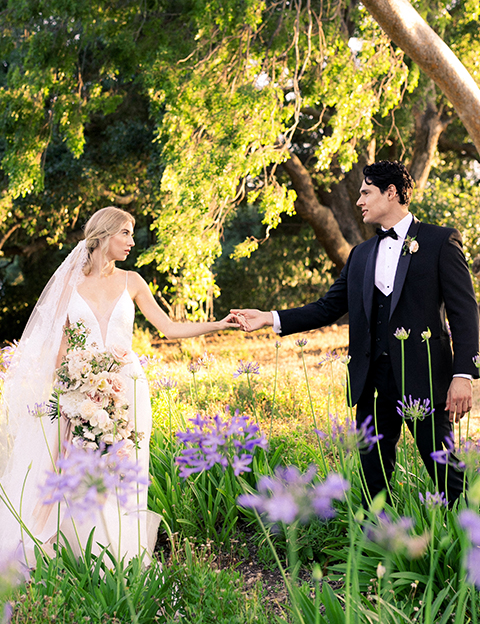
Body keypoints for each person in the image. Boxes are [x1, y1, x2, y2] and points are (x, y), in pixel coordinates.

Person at [232, 160, 479, 506]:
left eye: (366, 192)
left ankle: (466, 548)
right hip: (372, 383)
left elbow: (465, 312)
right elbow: (327, 307)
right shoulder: (360, 255)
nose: (359, 201)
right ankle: (378, 549)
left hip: (425, 380)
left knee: (448, 476)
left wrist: (463, 374)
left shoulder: (440, 241)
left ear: (391, 193)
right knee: (372, 478)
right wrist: (269, 318)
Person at [0, 207, 238, 565]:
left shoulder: (133, 281)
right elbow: (58, 347)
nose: (131, 241)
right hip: (79, 393)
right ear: (103, 235)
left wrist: (218, 325)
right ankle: (79, 555)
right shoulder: (70, 283)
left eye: (131, 233)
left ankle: (120, 556)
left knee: (123, 466)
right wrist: (68, 394)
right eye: (125, 233)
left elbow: (169, 328)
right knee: (79, 471)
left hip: (127, 390)